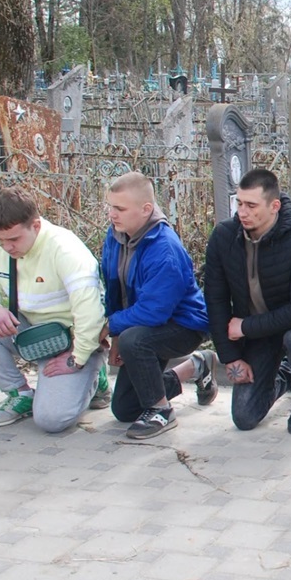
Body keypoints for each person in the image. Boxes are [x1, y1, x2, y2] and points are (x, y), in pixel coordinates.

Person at [0, 186, 107, 432]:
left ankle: (94, 378)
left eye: (14, 239)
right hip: (31, 333)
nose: (7, 247)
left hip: (72, 339)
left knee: (52, 420)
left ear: (35, 226)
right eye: (0, 240)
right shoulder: (2, 246)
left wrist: (77, 358)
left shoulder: (65, 249)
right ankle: (20, 394)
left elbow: (89, 312)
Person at [204, 169, 291, 436]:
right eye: (239, 203)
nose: (242, 212)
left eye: (251, 205)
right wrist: (231, 357)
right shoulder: (223, 237)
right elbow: (215, 300)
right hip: (258, 333)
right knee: (245, 417)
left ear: (274, 206)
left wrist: (245, 327)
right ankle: (288, 374)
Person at [100, 173, 217, 440]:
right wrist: (116, 335)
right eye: (110, 206)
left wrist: (114, 326)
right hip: (142, 326)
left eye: (120, 208)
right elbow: (114, 288)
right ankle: (196, 366)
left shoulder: (164, 249)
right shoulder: (116, 235)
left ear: (146, 209)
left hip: (184, 326)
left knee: (134, 341)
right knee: (125, 408)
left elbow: (155, 311)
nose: (112, 214)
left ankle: (161, 411)